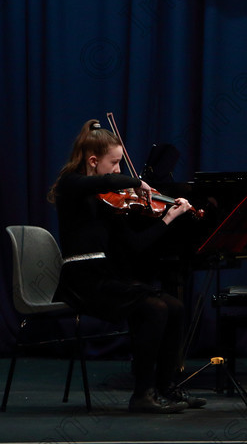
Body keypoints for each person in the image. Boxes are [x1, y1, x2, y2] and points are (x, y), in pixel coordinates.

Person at [49, 119, 205, 413]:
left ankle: (166, 388)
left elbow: (136, 245)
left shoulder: (111, 202)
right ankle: (142, 395)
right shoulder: (70, 184)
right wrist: (136, 182)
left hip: (107, 276)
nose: (119, 169)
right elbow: (108, 181)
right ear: (93, 161)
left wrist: (168, 217)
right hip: (82, 280)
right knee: (154, 308)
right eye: (115, 162)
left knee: (175, 306)